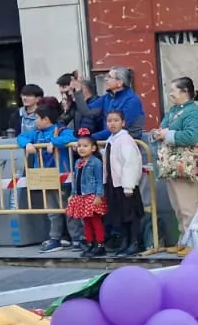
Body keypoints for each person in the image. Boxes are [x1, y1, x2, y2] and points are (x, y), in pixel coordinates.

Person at [17, 98, 75, 252]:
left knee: (68, 209)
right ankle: (55, 238)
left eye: (37, 118)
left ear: (46, 119)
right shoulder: (36, 133)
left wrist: (55, 142)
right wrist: (27, 144)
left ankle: (76, 238)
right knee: (52, 210)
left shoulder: (60, 130)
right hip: (44, 177)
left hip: (61, 177)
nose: (35, 121)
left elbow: (72, 137)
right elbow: (21, 137)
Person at [151, 77, 198, 238]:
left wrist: (168, 134)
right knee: (178, 207)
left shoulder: (192, 112)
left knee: (189, 207)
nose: (170, 94)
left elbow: (192, 136)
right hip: (172, 166)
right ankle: (184, 238)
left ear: (185, 92)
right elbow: (162, 128)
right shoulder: (174, 110)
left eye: (173, 90)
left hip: (185, 166)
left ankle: (193, 241)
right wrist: (157, 133)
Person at [103, 109, 145, 256]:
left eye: (116, 120)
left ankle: (135, 242)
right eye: (109, 121)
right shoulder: (110, 140)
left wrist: (129, 185)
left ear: (123, 122)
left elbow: (131, 163)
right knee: (119, 215)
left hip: (125, 185)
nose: (112, 124)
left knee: (130, 214)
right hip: (113, 184)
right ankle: (125, 241)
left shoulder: (125, 139)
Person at [66, 129, 108, 257]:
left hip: (92, 195)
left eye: (85, 146)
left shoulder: (96, 162)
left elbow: (99, 180)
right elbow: (76, 179)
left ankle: (100, 244)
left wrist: (99, 195)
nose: (81, 148)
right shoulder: (78, 162)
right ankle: (90, 243)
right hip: (81, 196)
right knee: (86, 222)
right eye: (79, 146)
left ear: (93, 148)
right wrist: (73, 194)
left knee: (95, 221)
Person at [94, 67, 144, 140]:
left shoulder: (132, 101)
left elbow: (116, 129)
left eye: (109, 77)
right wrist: (78, 93)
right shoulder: (108, 97)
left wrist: (90, 138)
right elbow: (88, 111)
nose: (106, 79)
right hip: (109, 141)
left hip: (126, 143)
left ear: (119, 83)